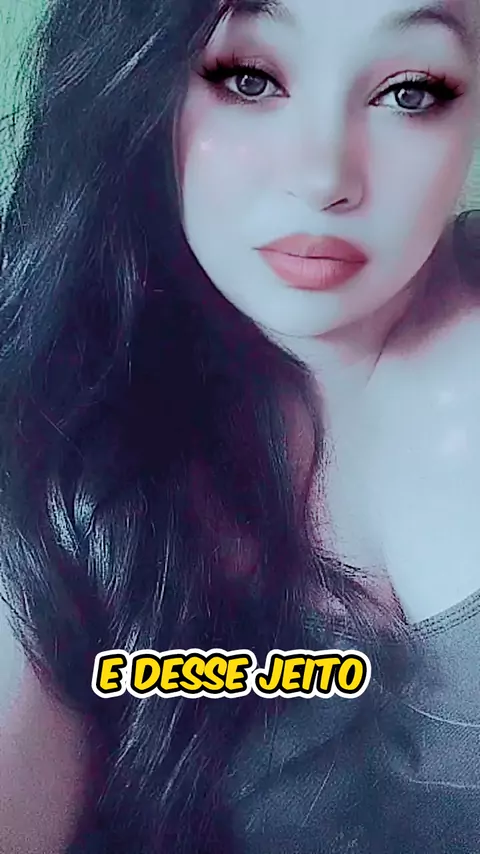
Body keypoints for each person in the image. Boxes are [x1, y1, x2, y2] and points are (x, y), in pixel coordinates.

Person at [0, 0, 480, 851]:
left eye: (409, 91)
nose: (323, 176)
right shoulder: (51, 439)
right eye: (250, 79)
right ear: (143, 83)